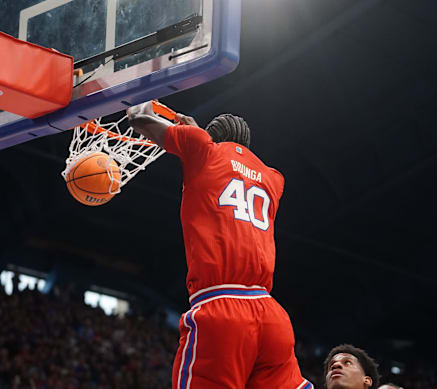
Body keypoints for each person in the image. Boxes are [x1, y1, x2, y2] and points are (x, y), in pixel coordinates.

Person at [127, 102, 313, 389]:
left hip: (222, 307)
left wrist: (135, 94)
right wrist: (197, 135)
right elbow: (234, 166)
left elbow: (139, 118)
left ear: (212, 136)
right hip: (271, 314)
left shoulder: (202, 148)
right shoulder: (274, 179)